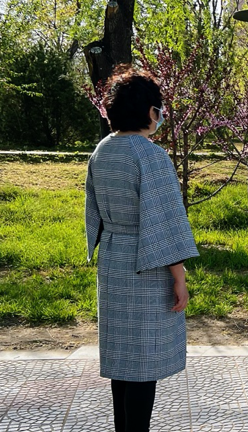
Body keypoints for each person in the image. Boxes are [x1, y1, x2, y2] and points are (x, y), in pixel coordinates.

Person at [85, 67, 199, 432]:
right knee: (143, 364)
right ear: (151, 111)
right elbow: (165, 219)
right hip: (147, 263)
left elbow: (93, 212)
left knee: (123, 362)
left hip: (113, 258)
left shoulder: (102, 151)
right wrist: (179, 277)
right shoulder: (150, 155)